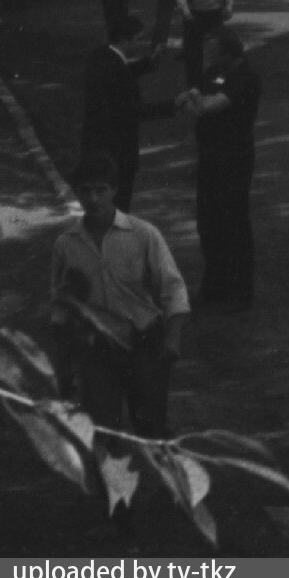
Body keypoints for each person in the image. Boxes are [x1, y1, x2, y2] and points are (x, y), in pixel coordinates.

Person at [49, 154, 189, 439]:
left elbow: (173, 288)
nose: (93, 199)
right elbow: (61, 308)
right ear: (76, 192)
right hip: (96, 349)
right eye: (85, 190)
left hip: (144, 343)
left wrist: (173, 338)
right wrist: (63, 364)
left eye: (101, 190)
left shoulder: (143, 234)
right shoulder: (66, 245)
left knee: (152, 429)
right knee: (101, 431)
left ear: (114, 189)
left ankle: (164, 468)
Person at [176, 31, 261, 309]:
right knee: (208, 223)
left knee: (232, 222)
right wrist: (195, 99)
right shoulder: (213, 72)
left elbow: (209, 105)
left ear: (229, 53)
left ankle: (239, 291)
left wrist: (195, 100)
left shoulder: (245, 77)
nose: (208, 57)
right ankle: (215, 286)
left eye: (214, 52)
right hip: (210, 157)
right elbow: (190, 99)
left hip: (234, 159)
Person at [81, 14, 173, 212]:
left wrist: (150, 61)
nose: (141, 43)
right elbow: (134, 110)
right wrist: (174, 105)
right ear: (124, 40)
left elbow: (122, 71)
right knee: (118, 204)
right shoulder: (118, 71)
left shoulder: (102, 56)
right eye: (138, 39)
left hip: (95, 144)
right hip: (118, 150)